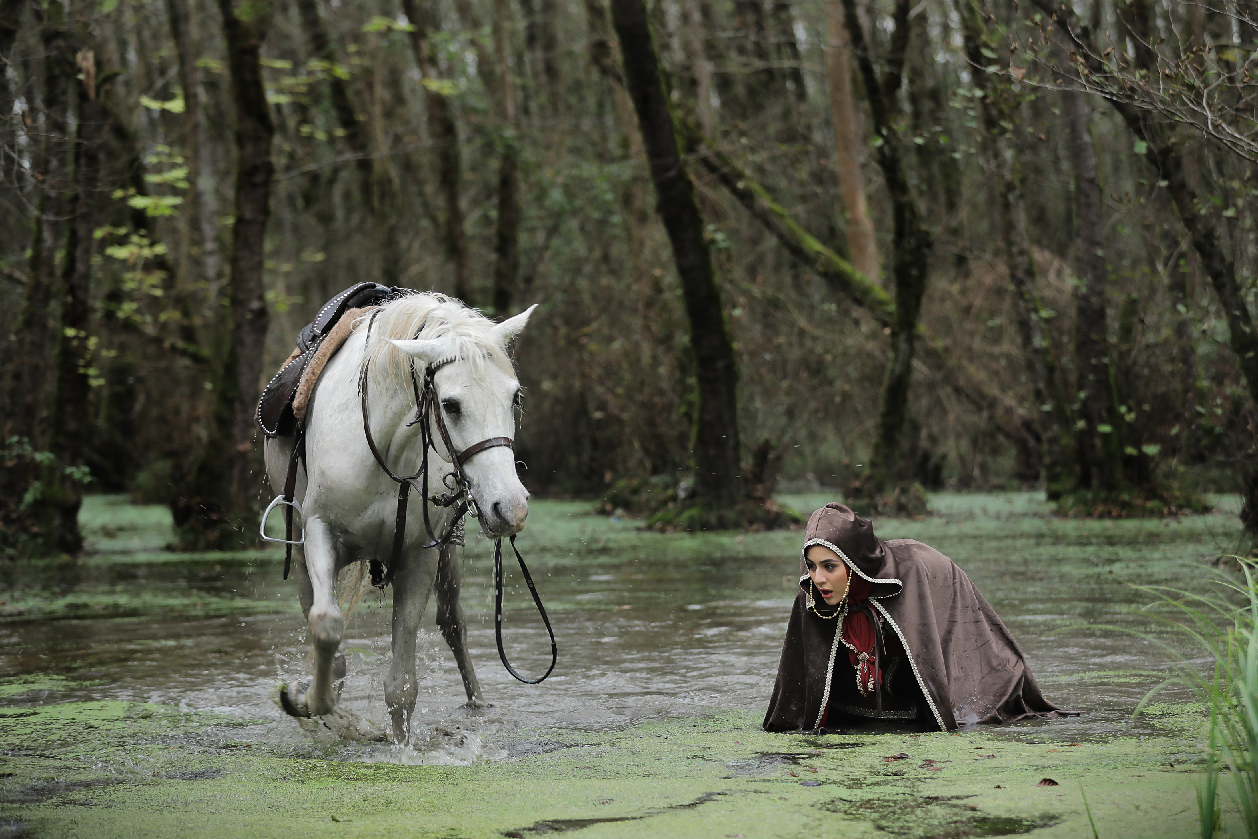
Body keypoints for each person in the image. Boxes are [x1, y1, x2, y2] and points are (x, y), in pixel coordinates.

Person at [763, 503, 1073, 733]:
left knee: (974, 714)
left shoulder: (914, 575)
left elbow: (949, 644)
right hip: (857, 709)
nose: (818, 578)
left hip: (918, 690)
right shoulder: (811, 594)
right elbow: (797, 689)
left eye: (829, 566)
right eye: (811, 566)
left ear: (852, 563)